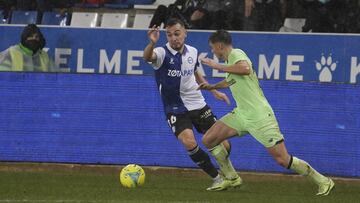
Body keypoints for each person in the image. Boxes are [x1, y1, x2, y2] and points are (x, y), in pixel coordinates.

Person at [198, 29, 335, 196]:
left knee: (282, 159)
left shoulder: (236, 54)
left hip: (260, 116)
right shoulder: (231, 62)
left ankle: (323, 181)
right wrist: (213, 87)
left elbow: (245, 68)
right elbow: (231, 80)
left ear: (219, 46)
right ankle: (231, 177)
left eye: (213, 48)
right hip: (242, 114)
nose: (213, 52)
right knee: (209, 139)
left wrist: (216, 66)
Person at [143, 18, 242, 191]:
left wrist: (213, 91)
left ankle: (229, 173)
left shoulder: (193, 52)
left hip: (198, 104)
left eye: (177, 33)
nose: (173, 38)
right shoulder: (161, 53)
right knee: (189, 142)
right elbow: (147, 57)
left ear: (185, 33)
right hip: (175, 107)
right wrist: (151, 43)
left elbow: (195, 72)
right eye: (169, 34)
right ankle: (217, 177)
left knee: (224, 144)